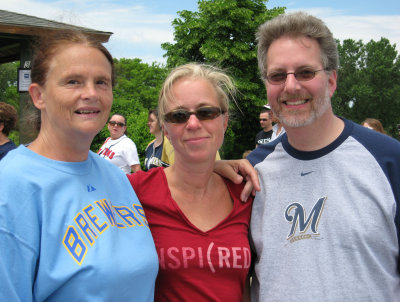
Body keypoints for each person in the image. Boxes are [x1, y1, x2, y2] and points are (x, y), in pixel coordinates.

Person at [246, 11, 400, 301]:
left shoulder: (389, 160)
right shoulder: (253, 172)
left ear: (331, 80)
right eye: (278, 75)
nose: (291, 86)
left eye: (305, 72)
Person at [0, 30, 158, 301]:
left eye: (101, 82)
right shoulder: (12, 185)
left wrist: (215, 169)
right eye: (73, 81)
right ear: (38, 96)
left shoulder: (113, 175)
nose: (91, 93)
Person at [128, 63, 253, 301]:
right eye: (179, 116)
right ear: (165, 128)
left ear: (224, 121)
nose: (194, 124)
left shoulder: (244, 191)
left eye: (206, 112)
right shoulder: (135, 190)